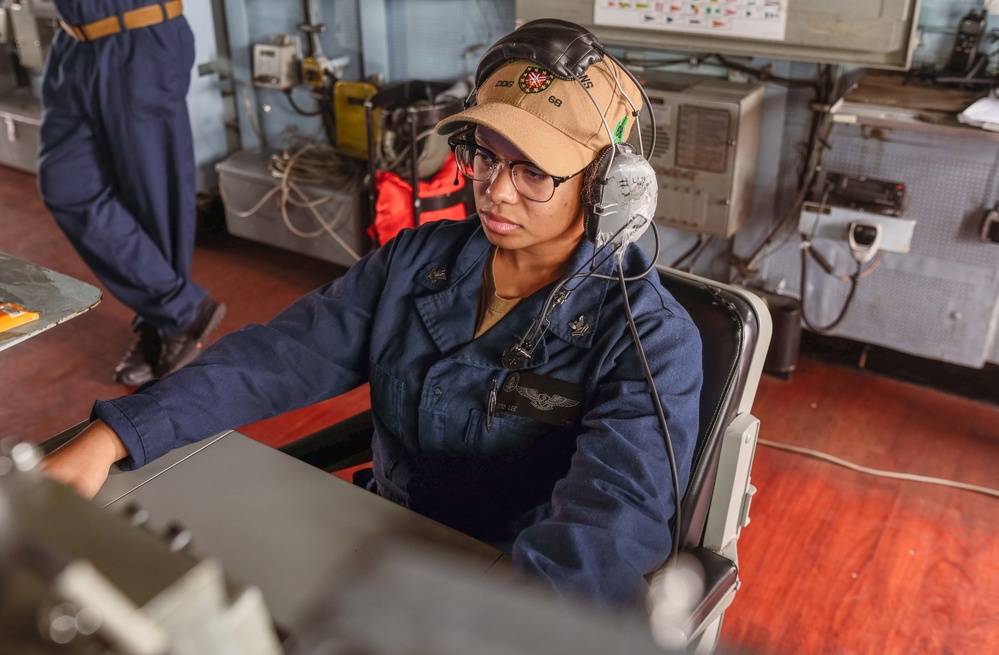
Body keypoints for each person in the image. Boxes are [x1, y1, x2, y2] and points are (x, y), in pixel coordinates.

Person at [43, 20, 702, 609]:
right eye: (483, 155)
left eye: (534, 172)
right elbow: (276, 357)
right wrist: (116, 436)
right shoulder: (413, 263)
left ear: (607, 186)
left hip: (510, 583)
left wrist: (506, 628)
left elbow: (607, 522)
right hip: (377, 543)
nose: (496, 190)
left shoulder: (647, 338)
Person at [37, 0, 225, 386]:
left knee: (154, 203)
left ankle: (167, 322)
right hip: (74, 44)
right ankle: (178, 310)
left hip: (137, 39)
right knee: (65, 184)